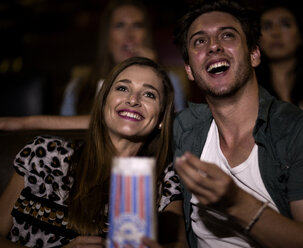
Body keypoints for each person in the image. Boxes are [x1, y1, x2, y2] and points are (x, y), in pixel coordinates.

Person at [172, 0, 303, 247]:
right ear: (189, 69)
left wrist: (236, 203)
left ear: (254, 54)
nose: (213, 46)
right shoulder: (183, 128)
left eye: (227, 35)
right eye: (199, 41)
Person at [0, 57, 186, 247]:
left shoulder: (165, 180)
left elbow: (179, 245)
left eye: (149, 94)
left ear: (162, 118)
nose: (133, 100)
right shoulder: (44, 154)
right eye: (122, 88)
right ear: (103, 102)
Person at [60, 0, 186, 115]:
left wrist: (155, 72)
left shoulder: (170, 81)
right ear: (107, 36)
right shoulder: (79, 87)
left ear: (146, 35)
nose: (129, 34)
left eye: (137, 25)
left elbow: (174, 130)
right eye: (120, 25)